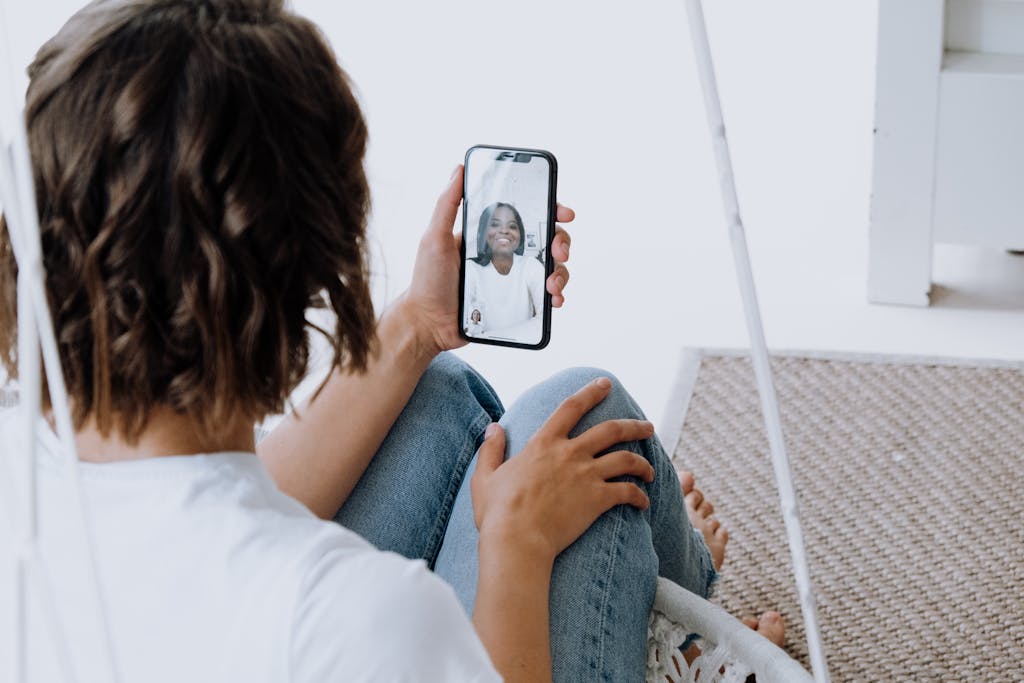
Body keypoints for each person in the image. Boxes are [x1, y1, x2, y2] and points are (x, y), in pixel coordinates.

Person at [0, 1, 783, 681]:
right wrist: (515, 543)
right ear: (309, 269)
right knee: (579, 420)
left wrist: (416, 322)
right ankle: (684, 641)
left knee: (435, 394)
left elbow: (213, 511)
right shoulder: (362, 619)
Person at [464, 201, 545, 337]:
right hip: (482, 351)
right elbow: (466, 327)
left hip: (522, 351)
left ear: (520, 235)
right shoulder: (471, 269)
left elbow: (544, 321)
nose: (504, 230)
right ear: (483, 232)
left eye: (512, 226)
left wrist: (488, 336)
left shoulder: (531, 266)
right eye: (495, 224)